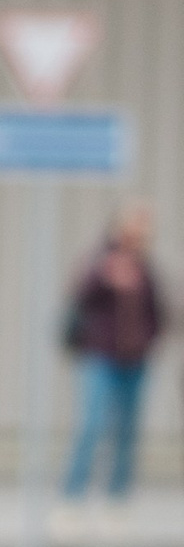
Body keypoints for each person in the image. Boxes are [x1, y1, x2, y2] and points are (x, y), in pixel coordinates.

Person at [60, 204, 163, 504]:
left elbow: (157, 311)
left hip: (135, 359)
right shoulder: (100, 261)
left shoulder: (145, 267)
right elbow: (80, 297)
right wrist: (106, 277)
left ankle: (117, 497)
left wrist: (149, 339)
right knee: (92, 425)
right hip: (101, 356)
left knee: (127, 431)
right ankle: (72, 494)